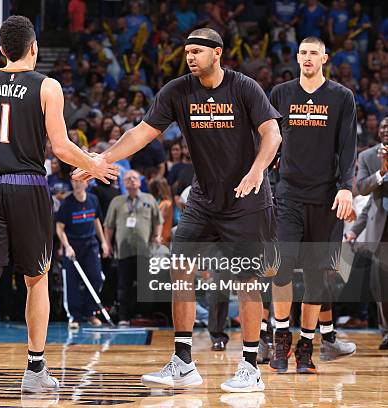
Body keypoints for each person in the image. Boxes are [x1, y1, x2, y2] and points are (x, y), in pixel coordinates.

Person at [74, 28, 282, 392]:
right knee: (180, 269)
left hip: (247, 197)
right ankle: (183, 361)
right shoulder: (177, 90)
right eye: (187, 51)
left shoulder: (244, 87)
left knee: (247, 281)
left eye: (198, 51)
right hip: (203, 198)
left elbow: (272, 133)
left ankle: (250, 365)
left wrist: (257, 170)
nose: (190, 57)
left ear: (217, 53)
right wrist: (101, 158)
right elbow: (141, 133)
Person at [0, 15, 118, 397]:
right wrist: (93, 163)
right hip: (27, 186)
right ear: (34, 48)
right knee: (36, 277)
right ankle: (35, 369)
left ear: (1, 50)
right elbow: (60, 147)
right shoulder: (48, 86)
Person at [269, 36, 357, 374]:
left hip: (326, 198)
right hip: (288, 194)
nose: (307, 58)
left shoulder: (341, 97)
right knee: (281, 269)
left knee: (319, 277)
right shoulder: (280, 94)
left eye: (313, 53)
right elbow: (268, 138)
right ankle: (280, 338)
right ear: (297, 57)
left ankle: (307, 345)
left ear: (324, 58)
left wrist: (346, 187)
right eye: (303, 53)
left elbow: (348, 146)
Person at [104, 169, 163, 325]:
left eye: (134, 178)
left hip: (145, 250)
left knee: (146, 285)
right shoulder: (117, 201)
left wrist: (157, 235)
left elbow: (158, 221)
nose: (131, 180)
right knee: (124, 285)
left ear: (140, 181)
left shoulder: (149, 199)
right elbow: (109, 226)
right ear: (123, 182)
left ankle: (145, 316)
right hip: (123, 251)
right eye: (128, 178)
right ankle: (124, 317)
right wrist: (106, 243)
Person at [56, 178, 109, 330]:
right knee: (71, 282)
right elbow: (59, 228)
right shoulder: (67, 203)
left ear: (87, 183)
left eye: (80, 181)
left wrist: (103, 242)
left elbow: (96, 221)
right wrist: (67, 246)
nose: (77, 184)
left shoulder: (93, 199)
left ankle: (90, 312)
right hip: (72, 245)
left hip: (90, 244)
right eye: (74, 181)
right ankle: (74, 316)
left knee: (97, 278)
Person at [354, 117, 388, 349]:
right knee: (382, 287)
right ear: (378, 132)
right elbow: (361, 188)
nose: (386, 130)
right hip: (381, 231)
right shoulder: (367, 156)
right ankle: (386, 332)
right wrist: (382, 172)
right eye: (384, 127)